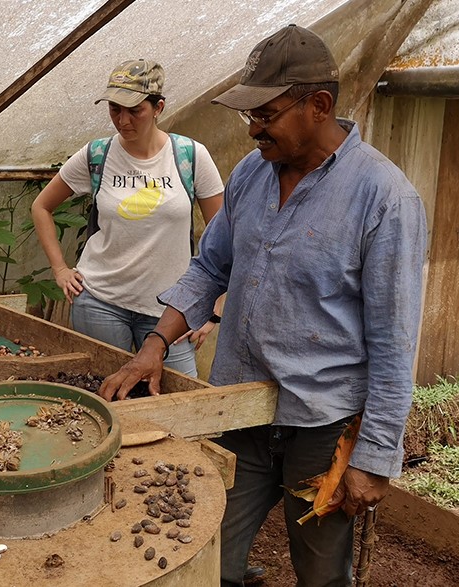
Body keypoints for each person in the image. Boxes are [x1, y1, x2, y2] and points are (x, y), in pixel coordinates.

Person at [98, 25, 426, 586]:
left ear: (318, 106)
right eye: (249, 115)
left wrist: (374, 457)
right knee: (207, 551)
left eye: (266, 114)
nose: (253, 129)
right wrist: (154, 345)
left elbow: (396, 344)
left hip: (323, 423)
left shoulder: (384, 198)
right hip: (244, 408)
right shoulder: (253, 173)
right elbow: (209, 266)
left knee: (321, 571)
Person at [31, 59, 224, 377]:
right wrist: (60, 269)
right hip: (100, 302)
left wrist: (213, 308)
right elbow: (41, 206)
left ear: (158, 107)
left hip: (171, 311)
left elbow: (222, 237)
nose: (123, 120)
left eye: (135, 110)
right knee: (106, 398)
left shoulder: (190, 156)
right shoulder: (97, 155)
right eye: (115, 109)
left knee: (176, 399)